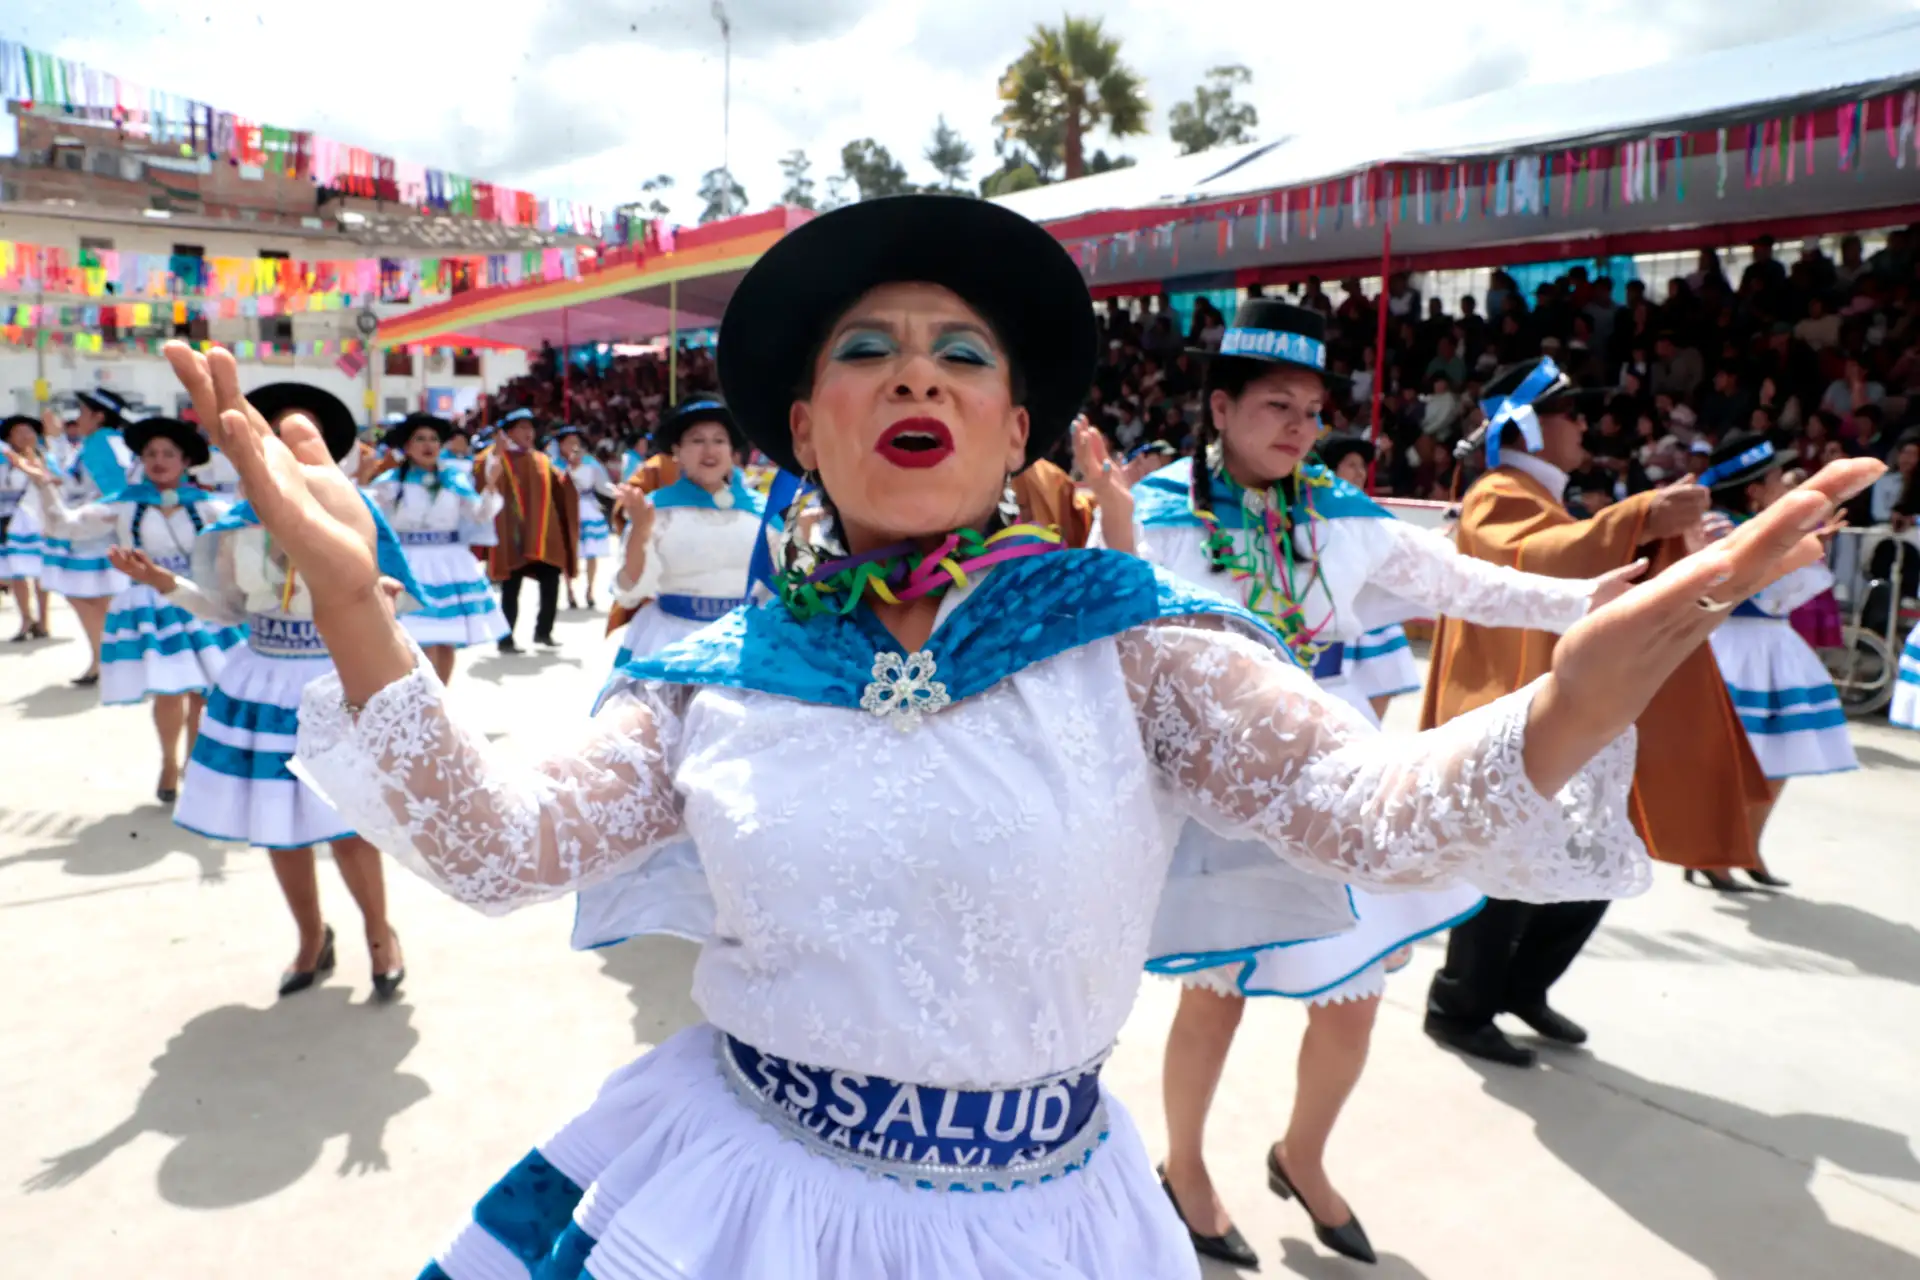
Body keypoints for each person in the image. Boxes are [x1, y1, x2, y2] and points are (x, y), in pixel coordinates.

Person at [169, 195, 1869, 1280]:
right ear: (807, 427)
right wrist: (354, 603)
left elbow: (1364, 812)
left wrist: (1581, 689)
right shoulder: (713, 675)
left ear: (1011, 427)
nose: (918, 374)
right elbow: (496, 847)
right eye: (869, 352)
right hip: (741, 1202)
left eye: (961, 355)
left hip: (1045, 1223)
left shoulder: (1138, 647)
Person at [1127, 304, 1645, 1269]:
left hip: (1334, 767)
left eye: (1312, 409)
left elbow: (1464, 584)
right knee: (1216, 992)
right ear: (1219, 407)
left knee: (1353, 993)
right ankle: (1185, 1169)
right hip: (1213, 775)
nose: (1298, 426)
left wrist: (1582, 599)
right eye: (1275, 404)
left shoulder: (1337, 512)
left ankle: (1302, 1156)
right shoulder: (1153, 515)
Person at [1420, 356, 1772, 1069]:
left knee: (1589, 858)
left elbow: (1577, 560)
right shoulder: (1497, 492)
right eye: (1570, 412)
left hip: (1551, 707)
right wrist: (1641, 516)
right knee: (1509, 869)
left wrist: (1663, 535)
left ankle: (1521, 987)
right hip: (1505, 708)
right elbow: (1535, 558)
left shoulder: (1535, 495)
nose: (1584, 424)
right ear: (1528, 427)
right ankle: (1458, 1006)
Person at [160, 380, 414, 1001]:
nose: (288, 447)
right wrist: (165, 585)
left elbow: (391, 605)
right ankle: (310, 938)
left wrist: (384, 606)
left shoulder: (353, 514)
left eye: (305, 436)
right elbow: (226, 608)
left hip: (336, 679)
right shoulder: (235, 524)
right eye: (272, 434)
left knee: (349, 825)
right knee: (279, 825)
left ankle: (379, 935)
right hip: (262, 688)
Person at [14, 416, 247, 801]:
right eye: (151, 453)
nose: (158, 460)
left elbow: (246, 540)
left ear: (186, 461)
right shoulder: (124, 504)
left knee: (205, 693)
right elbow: (64, 526)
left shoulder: (210, 507)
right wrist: (43, 484)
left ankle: (192, 763)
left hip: (200, 603)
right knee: (170, 690)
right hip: (152, 607)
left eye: (168, 453)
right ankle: (168, 763)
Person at [1693, 433, 1858, 890]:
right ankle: (1712, 851)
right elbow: (1754, 590)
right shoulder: (1718, 527)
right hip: (1732, 645)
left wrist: (1805, 544)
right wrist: (1804, 547)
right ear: (1753, 489)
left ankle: (1747, 848)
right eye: (1775, 478)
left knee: (1777, 757)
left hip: (1773, 646)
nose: (1784, 486)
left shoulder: (1762, 526)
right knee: (1733, 759)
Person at [605, 400, 764, 670]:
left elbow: (781, 586)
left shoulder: (762, 512)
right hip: (673, 640)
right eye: (697, 440)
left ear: (732, 451)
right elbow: (630, 591)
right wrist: (640, 530)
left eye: (719, 440)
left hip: (745, 642)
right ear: (677, 451)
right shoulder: (658, 510)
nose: (710, 450)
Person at [366, 413, 509, 685]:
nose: (428, 445)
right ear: (407, 447)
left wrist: (491, 483)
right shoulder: (391, 482)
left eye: (433, 439)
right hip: (408, 565)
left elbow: (480, 514)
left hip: (449, 564)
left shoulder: (454, 480)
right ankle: (424, 698)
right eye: (420, 439)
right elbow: (364, 513)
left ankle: (441, 698)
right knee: (423, 643)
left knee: (446, 642)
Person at [1320, 435, 1422, 720]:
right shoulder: (1311, 511)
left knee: (1381, 687)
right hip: (1330, 620)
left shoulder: (1366, 511)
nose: (1360, 473)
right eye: (1351, 465)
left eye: (1362, 466)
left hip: (1370, 618)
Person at [43, 390, 137, 685]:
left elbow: (114, 491)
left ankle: (104, 660)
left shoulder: (101, 443)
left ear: (99, 416)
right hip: (91, 530)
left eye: (83, 412)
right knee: (94, 599)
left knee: (88, 597)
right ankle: (105, 659)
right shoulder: (104, 441)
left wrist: (83, 515)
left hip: (95, 533)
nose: (78, 418)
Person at [477, 408, 578, 653]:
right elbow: (482, 479)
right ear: (509, 432)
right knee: (511, 589)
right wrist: (496, 454)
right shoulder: (495, 457)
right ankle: (505, 638)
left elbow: (560, 487)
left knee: (551, 580)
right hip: (512, 536)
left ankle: (544, 632)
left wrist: (570, 471)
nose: (529, 432)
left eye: (530, 427)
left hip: (542, 534)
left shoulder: (542, 460)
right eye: (522, 427)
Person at [553, 426, 617, 609]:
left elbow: (603, 485)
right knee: (568, 551)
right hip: (567, 509)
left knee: (591, 552)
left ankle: (590, 590)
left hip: (588, 509)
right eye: (569, 442)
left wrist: (618, 492)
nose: (574, 446)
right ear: (561, 445)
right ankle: (570, 591)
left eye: (576, 442)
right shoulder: (556, 465)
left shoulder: (591, 463)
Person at [1, 415, 52, 641]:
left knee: (41, 572)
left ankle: (44, 620)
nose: (25, 436)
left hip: (39, 520)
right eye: (19, 432)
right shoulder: (4, 459)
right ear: (9, 437)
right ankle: (26, 618)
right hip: (9, 519)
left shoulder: (46, 458)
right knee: (17, 572)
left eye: (29, 431)